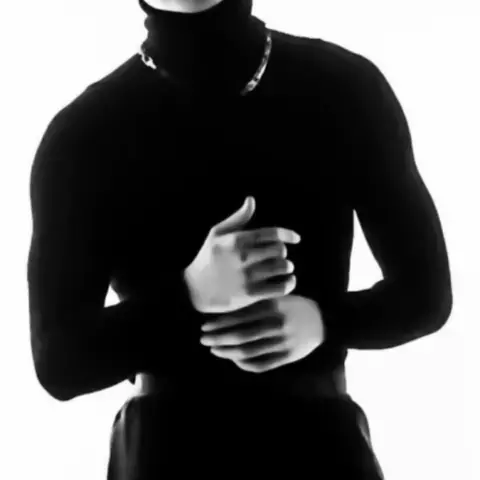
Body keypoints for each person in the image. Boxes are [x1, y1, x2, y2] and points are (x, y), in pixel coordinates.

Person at [27, 0, 453, 478]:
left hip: (319, 450)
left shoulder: (343, 86)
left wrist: (326, 321)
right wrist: (191, 295)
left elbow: (427, 295)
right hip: (166, 457)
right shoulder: (85, 133)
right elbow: (59, 363)